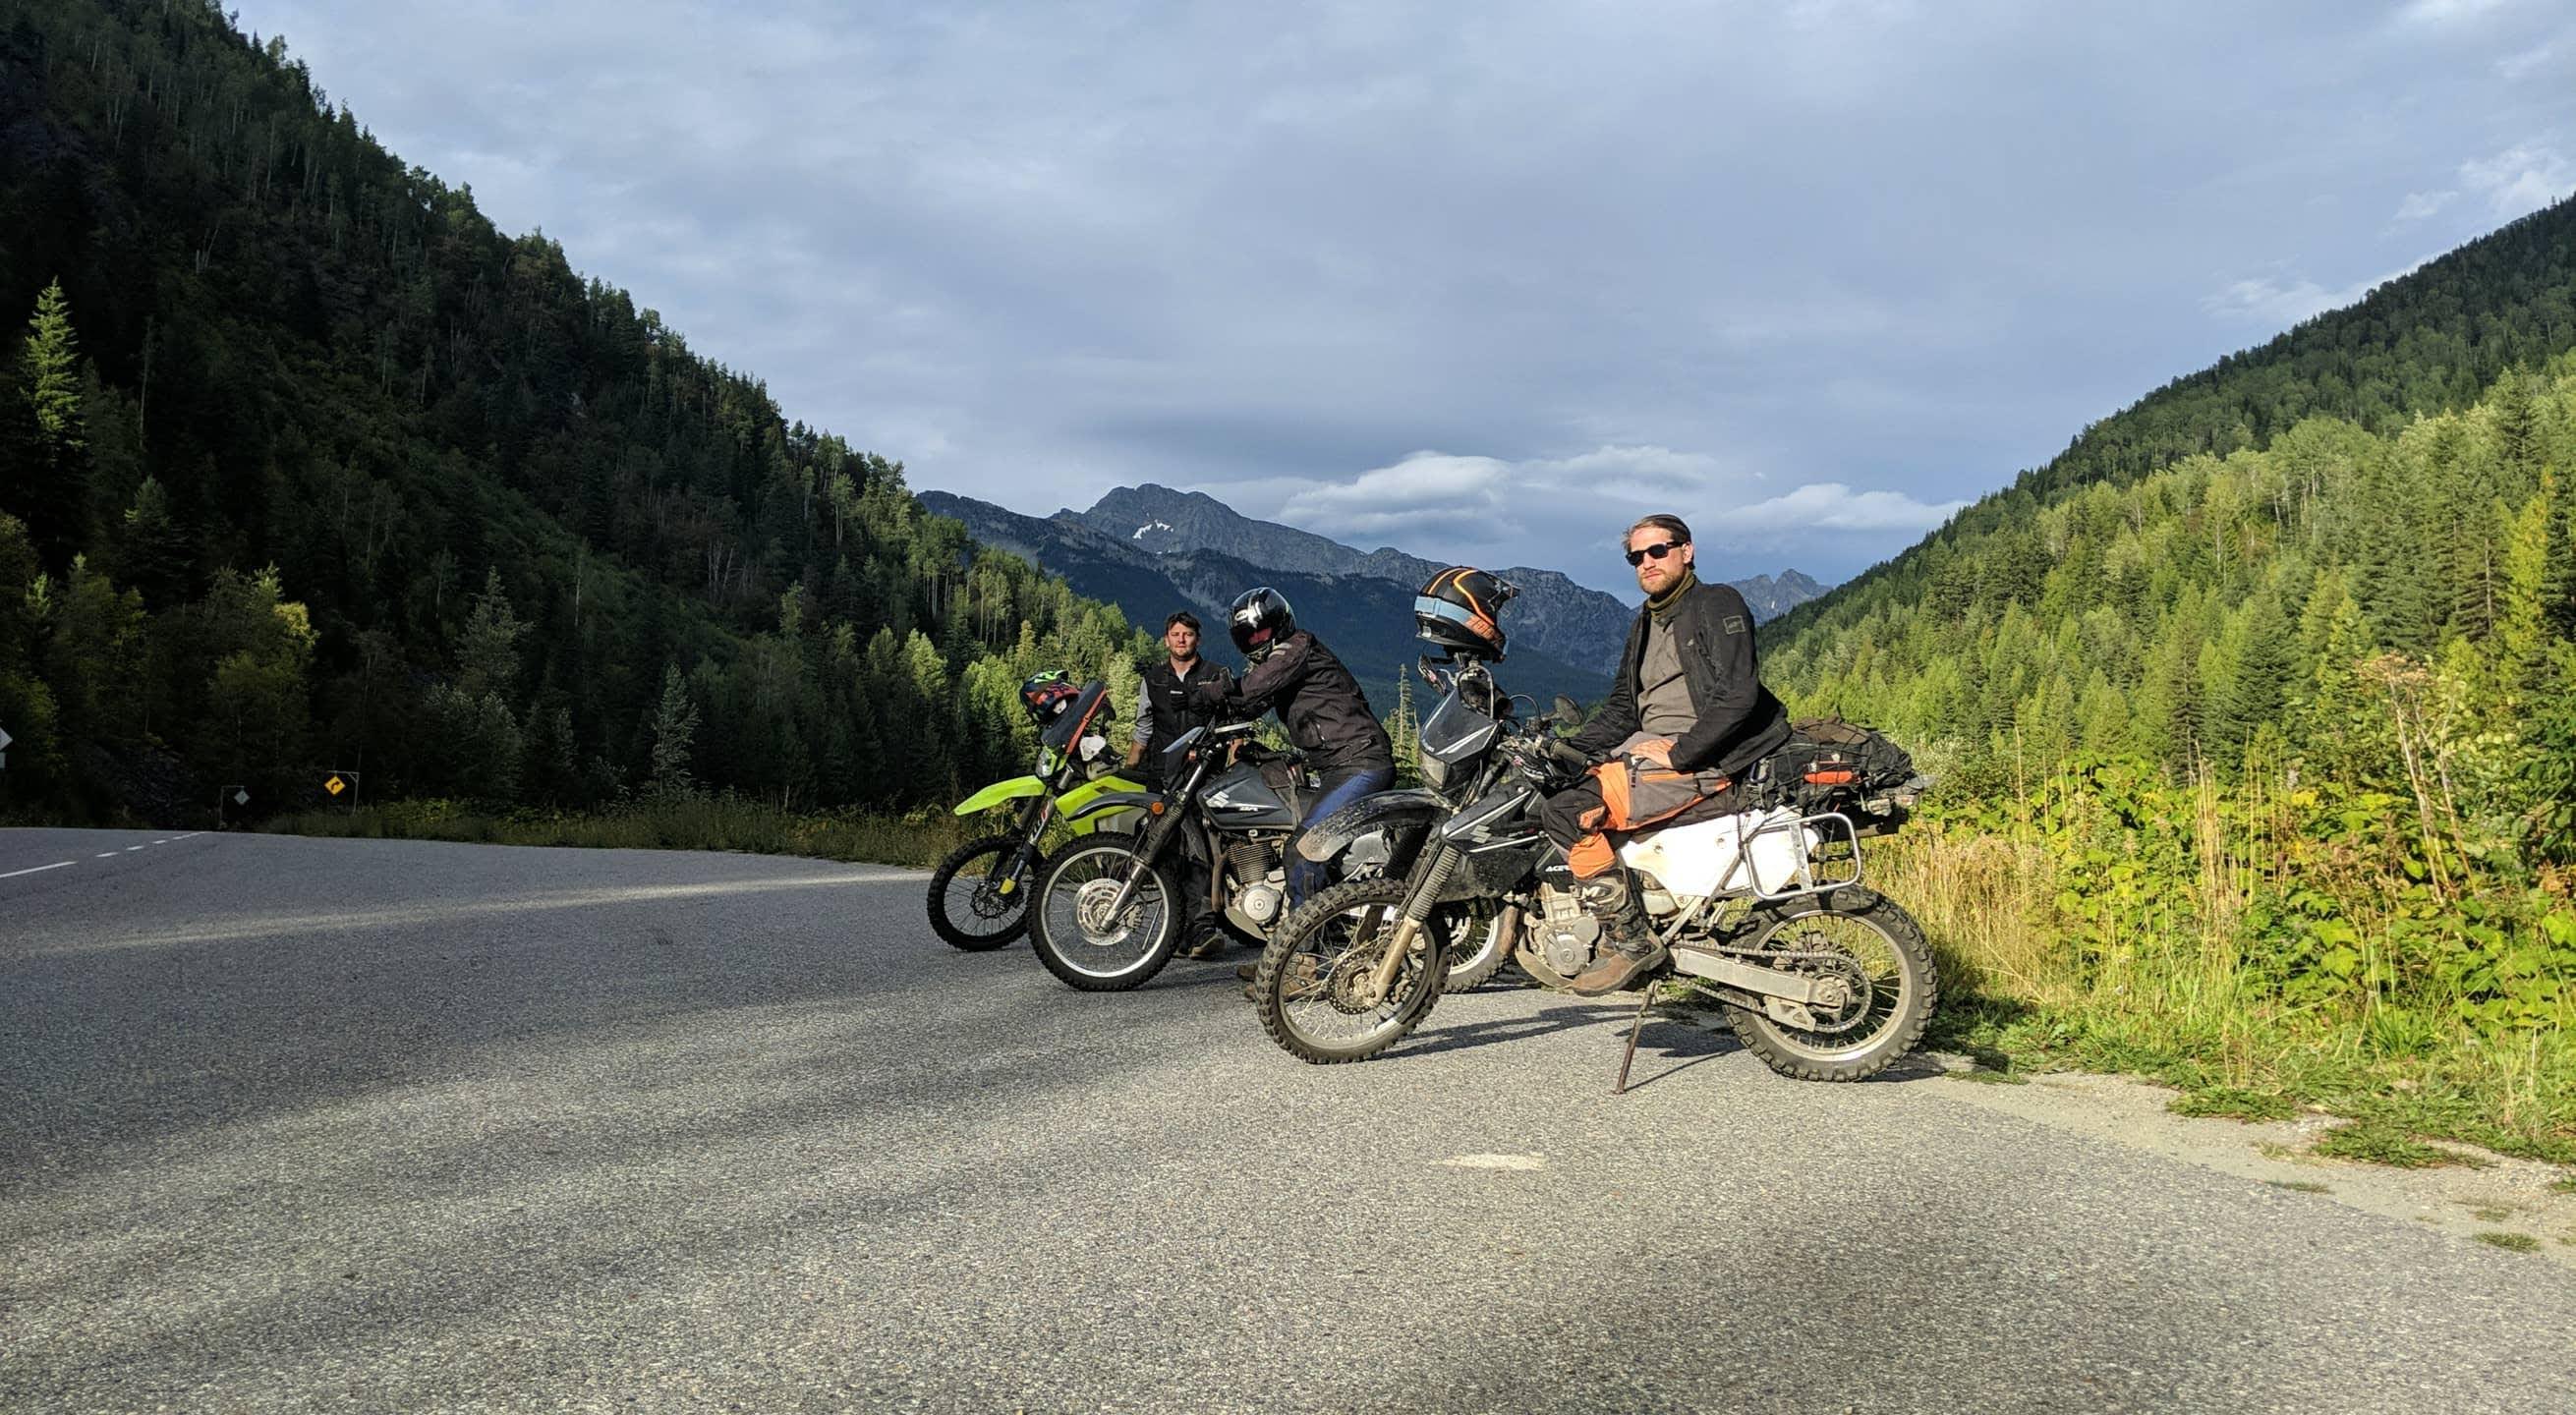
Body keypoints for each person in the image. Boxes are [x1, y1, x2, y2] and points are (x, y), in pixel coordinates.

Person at [1538, 514, 1792, 995]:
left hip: (1706, 757)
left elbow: (1739, 693)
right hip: (1652, 750)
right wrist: (1572, 750)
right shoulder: (1647, 621)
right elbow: (1621, 707)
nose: (1647, 563)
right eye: (1636, 556)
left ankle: (1631, 943)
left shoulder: (1717, 604)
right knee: (1559, 789)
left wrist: (1681, 754)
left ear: (1686, 551)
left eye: (1659, 551)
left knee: (1569, 812)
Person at [1194, 587, 1396, 920]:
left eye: (1263, 632)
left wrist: (1214, 689)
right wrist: (1222, 717)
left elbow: (1257, 683)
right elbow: (1253, 702)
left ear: (1280, 624)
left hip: (1360, 762)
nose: (1258, 640)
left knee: (1304, 850)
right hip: (1338, 765)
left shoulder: (1297, 648)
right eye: (1249, 637)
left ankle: (1304, 955)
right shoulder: (1284, 662)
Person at [1127, 610, 1236, 958]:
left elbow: (1232, 725)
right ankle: (1173, 929)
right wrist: (1131, 768)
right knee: (1164, 851)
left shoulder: (1216, 675)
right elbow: (1143, 729)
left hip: (1206, 779)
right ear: (1166, 640)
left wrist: (1232, 766)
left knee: (1202, 851)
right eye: (1175, 634)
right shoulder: (1153, 678)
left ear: (1197, 639)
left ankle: (1202, 927)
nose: (1181, 639)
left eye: (1187, 634)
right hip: (1162, 776)